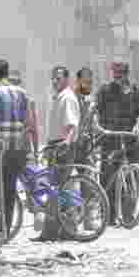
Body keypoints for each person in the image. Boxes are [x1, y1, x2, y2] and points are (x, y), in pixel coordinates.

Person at [0, 59, 37, 235]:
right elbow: (29, 123)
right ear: (7, 73)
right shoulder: (22, 93)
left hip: (0, 149)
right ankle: (4, 231)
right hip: (18, 149)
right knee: (9, 190)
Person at [95, 61, 139, 224]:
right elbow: (96, 111)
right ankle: (108, 216)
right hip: (110, 138)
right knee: (107, 176)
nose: (118, 77)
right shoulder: (104, 90)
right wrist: (99, 128)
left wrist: (138, 125)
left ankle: (128, 214)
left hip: (130, 139)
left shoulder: (135, 90)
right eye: (115, 73)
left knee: (132, 178)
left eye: (121, 73)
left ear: (127, 73)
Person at [39, 65, 81, 242]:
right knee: (56, 189)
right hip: (55, 145)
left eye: (59, 78)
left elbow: (72, 126)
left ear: (66, 79)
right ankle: (53, 231)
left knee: (61, 188)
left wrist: (66, 143)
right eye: (53, 78)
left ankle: (67, 229)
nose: (55, 81)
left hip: (63, 146)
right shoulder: (57, 97)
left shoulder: (67, 98)